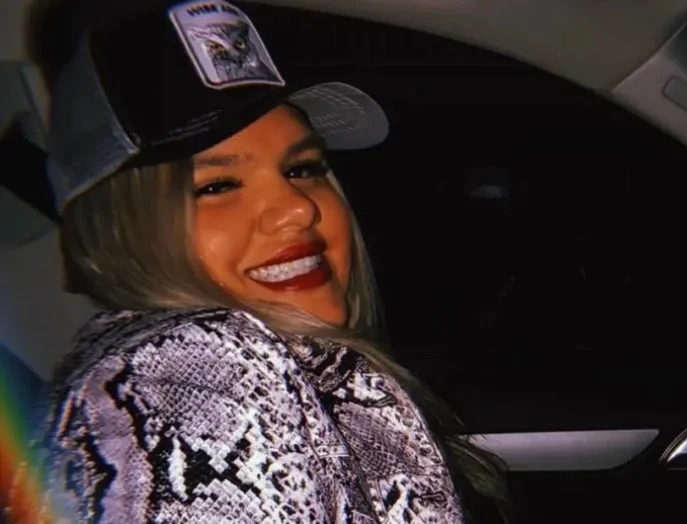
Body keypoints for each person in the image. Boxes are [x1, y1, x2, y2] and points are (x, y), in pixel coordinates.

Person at [14, 0, 510, 522]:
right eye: (218, 186)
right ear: (120, 230)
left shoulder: (292, 370)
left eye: (302, 169)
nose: (298, 209)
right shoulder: (189, 373)